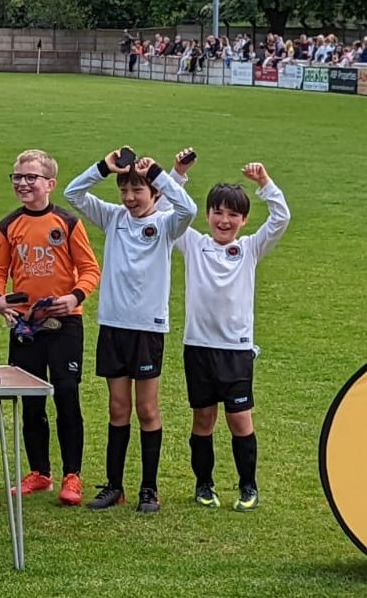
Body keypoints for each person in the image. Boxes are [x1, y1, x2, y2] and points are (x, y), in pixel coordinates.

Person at [63, 148, 196, 513]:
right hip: (113, 326)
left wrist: (159, 174)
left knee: (148, 409)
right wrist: (103, 168)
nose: (129, 198)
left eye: (138, 190)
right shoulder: (113, 219)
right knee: (118, 408)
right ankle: (114, 486)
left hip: (148, 329)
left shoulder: (168, 224)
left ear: (155, 193)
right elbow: (73, 194)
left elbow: (189, 210)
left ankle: (149, 489)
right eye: (124, 190)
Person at [164, 154, 290, 512]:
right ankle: (204, 485)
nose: (225, 220)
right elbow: (167, 211)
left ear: (244, 220)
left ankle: (248, 487)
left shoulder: (249, 248)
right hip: (199, 348)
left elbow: (281, 219)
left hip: (236, 351)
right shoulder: (192, 244)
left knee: (239, 420)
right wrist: (179, 175)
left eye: (233, 215)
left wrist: (265, 183)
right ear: (207, 215)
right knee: (203, 419)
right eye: (218, 212)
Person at [0, 150, 101, 506]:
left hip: (65, 324)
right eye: (17, 176)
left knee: (66, 394)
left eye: (31, 177)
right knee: (30, 401)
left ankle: (72, 475)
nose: (23, 183)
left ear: (50, 183)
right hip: (26, 326)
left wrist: (76, 296)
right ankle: (39, 472)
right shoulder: (8, 226)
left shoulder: (67, 222)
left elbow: (89, 268)